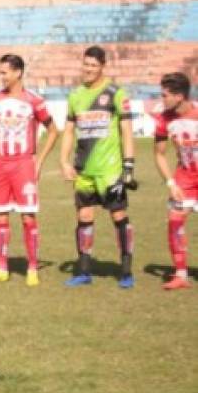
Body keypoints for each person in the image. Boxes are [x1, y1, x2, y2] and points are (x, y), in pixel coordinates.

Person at [60, 45, 138, 289]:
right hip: (84, 169)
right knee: (84, 216)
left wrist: (128, 165)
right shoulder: (75, 96)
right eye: (86, 64)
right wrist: (64, 161)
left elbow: (126, 130)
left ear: (103, 66)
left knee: (119, 216)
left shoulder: (116, 93)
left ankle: (125, 271)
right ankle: (84, 271)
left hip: (110, 170)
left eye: (93, 65)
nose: (89, 69)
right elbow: (69, 131)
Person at [0, 54, 59, 286]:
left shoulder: (34, 101)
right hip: (0, 164)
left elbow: (54, 131)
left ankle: (32, 267)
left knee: (27, 217)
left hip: (24, 164)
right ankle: (1, 267)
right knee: (0, 217)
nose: (1, 77)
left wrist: (39, 162)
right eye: (0, 72)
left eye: (5, 72)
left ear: (18, 73)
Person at [152, 72, 195, 290]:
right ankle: (180, 274)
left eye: (165, 95)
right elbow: (159, 154)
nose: (162, 99)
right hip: (184, 179)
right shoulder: (163, 119)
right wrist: (171, 183)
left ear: (179, 96)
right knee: (175, 221)